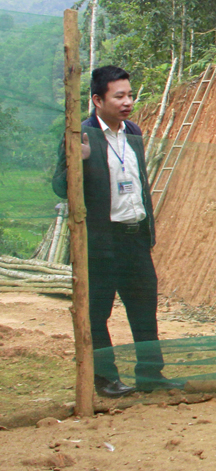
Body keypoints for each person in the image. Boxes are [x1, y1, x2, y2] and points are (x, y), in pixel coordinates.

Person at [52, 65, 184, 397]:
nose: (127, 101)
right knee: (97, 313)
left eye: (130, 94)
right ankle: (105, 379)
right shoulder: (79, 135)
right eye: (119, 96)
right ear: (97, 99)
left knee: (144, 310)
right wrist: (77, 161)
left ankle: (151, 376)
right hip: (100, 242)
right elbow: (59, 187)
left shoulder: (133, 132)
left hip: (134, 239)